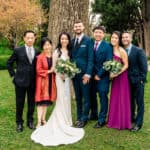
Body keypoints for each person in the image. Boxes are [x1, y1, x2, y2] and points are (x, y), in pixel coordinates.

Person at [31, 32, 84, 146]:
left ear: (68, 40)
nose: (64, 40)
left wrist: (69, 72)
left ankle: (67, 120)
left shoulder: (69, 52)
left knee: (67, 99)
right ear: (60, 40)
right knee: (61, 98)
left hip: (67, 78)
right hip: (59, 79)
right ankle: (59, 120)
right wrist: (61, 75)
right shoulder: (57, 52)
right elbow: (54, 67)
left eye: (66, 39)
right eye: (62, 39)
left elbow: (71, 65)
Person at [7, 30, 37, 132]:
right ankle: (19, 123)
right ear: (24, 38)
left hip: (33, 82)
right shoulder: (18, 50)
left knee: (31, 102)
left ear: (34, 38)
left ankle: (30, 121)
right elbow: (9, 63)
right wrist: (13, 76)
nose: (30, 39)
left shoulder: (37, 51)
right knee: (19, 103)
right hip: (20, 81)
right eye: (28, 37)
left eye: (32, 38)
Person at [122, 31, 148, 131]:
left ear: (131, 39)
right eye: (123, 38)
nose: (124, 39)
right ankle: (131, 118)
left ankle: (138, 123)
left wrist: (142, 79)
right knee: (130, 101)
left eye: (126, 37)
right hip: (126, 81)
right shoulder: (122, 50)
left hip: (137, 81)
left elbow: (144, 67)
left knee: (139, 102)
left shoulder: (138, 51)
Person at [71, 20, 94, 128]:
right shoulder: (72, 41)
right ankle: (79, 117)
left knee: (86, 97)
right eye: (76, 26)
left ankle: (84, 118)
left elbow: (91, 58)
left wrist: (88, 74)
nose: (77, 28)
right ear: (74, 28)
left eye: (79, 26)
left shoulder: (89, 41)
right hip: (74, 75)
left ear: (83, 27)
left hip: (85, 75)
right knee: (78, 97)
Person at [107, 31, 131, 130]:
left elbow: (126, 65)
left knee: (122, 98)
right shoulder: (109, 49)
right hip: (114, 77)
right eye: (112, 37)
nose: (113, 39)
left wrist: (117, 73)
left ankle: (122, 122)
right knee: (115, 97)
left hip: (121, 77)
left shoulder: (121, 50)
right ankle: (113, 120)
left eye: (116, 38)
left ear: (119, 40)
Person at [90, 26, 113, 128]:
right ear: (93, 33)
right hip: (91, 76)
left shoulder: (108, 46)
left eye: (100, 32)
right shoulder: (90, 44)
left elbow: (108, 62)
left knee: (103, 97)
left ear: (103, 34)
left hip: (102, 77)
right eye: (96, 32)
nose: (98, 34)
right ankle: (94, 114)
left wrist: (99, 75)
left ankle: (102, 119)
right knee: (92, 96)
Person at [35, 37, 56, 128]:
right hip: (42, 82)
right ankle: (39, 122)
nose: (47, 47)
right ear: (42, 46)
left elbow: (55, 68)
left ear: (51, 45)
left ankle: (43, 119)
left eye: (48, 44)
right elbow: (38, 70)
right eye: (45, 45)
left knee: (46, 102)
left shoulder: (53, 56)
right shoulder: (40, 57)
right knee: (41, 102)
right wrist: (49, 71)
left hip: (51, 81)